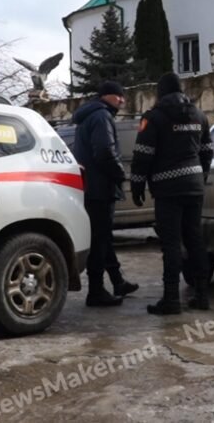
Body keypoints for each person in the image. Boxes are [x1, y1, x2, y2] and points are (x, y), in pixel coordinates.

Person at [130, 72, 214, 315]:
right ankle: (202, 296)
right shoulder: (199, 115)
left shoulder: (154, 117)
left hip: (168, 190)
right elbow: (208, 151)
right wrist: (201, 176)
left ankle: (171, 300)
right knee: (195, 241)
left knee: (171, 244)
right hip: (195, 187)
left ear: (161, 92)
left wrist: (137, 186)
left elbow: (142, 155)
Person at [71, 80, 139, 307]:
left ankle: (118, 281)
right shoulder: (101, 117)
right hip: (100, 188)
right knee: (100, 241)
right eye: (117, 95)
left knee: (103, 238)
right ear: (105, 96)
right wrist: (120, 175)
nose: (122, 100)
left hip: (91, 187)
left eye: (123, 96)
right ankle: (96, 291)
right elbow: (104, 151)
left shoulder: (89, 116)